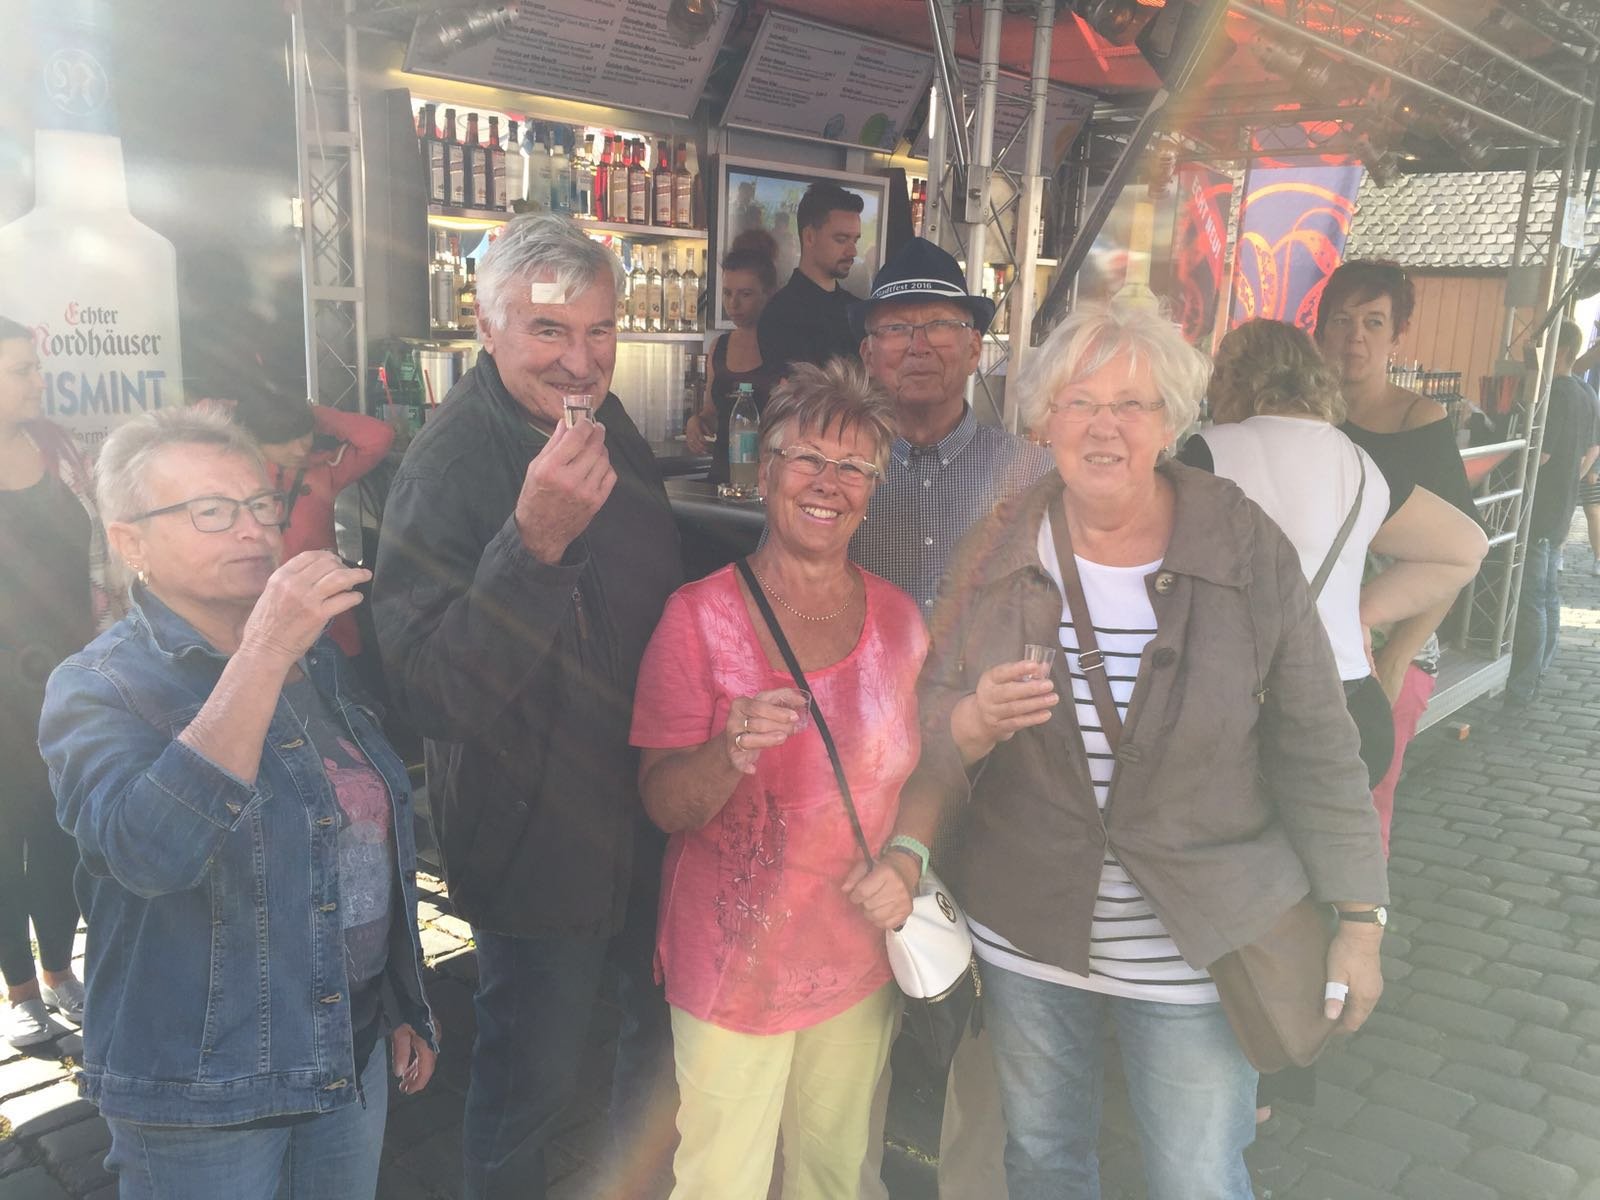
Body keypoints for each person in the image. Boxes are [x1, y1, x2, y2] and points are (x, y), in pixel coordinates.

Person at [911, 302, 1389, 1199]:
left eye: (1132, 404)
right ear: (1044, 421)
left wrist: (1360, 920)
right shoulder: (1000, 544)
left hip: (1195, 943)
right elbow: (929, 714)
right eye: (1080, 402)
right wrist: (971, 718)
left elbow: (1318, 745)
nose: (1105, 426)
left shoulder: (1243, 544)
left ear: (1172, 422)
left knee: (1195, 1177)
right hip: (1028, 927)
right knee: (1043, 1162)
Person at [38, 407, 436, 1200]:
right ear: (130, 542)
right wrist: (264, 650)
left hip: (344, 1050)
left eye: (260, 504)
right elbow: (148, 855)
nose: (253, 530)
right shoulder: (99, 685)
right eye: (212, 512)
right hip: (204, 1086)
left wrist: (398, 997)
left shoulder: (313, 659)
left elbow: (354, 841)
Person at [372, 213, 684, 1200]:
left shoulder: (601, 419)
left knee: (655, 1053)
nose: (580, 360)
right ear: (486, 323)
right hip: (535, 837)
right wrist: (533, 544)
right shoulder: (448, 466)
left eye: (600, 330)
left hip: (644, 811)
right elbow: (425, 692)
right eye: (549, 330)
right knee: (527, 1090)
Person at [631, 360, 935, 1200]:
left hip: (856, 962)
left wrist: (907, 858)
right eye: (807, 459)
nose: (828, 484)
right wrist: (726, 752)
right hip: (732, 969)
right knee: (720, 1182)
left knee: (835, 1178)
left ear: (872, 491)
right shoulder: (698, 619)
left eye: (853, 467)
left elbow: (927, 772)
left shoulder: (900, 621)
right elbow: (661, 803)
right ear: (764, 472)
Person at [850, 238, 1052, 1198]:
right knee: (856, 1005)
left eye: (941, 324)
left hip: (1002, 777)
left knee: (993, 1014)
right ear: (868, 352)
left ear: (977, 346)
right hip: (864, 777)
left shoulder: (1033, 472)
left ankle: (973, 1184)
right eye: (895, 328)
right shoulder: (838, 464)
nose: (918, 345)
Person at [1185, 319, 1488, 808]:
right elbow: (1465, 547)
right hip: (1349, 703)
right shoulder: (1363, 465)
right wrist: (1362, 613)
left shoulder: (1209, 454)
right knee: (1334, 850)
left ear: (1235, 378)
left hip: (1248, 712)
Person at [1315, 261, 1484, 841]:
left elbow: (1457, 560)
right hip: (1312, 649)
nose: (1355, 337)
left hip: (1391, 652)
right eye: (1342, 320)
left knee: (1364, 817)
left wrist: (1394, 661)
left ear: (1396, 334)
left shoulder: (1420, 420)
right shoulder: (1304, 418)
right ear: (1321, 329)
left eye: (1373, 322)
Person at [0, 316, 114, 1048]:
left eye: (36, 367)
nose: (37, 382)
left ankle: (57, 971)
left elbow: (102, 556)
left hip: (71, 676)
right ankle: (16, 986)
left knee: (61, 830)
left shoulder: (61, 451)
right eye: (20, 370)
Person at [230, 388, 394, 658]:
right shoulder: (230, 480)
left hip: (328, 617)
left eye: (304, 435)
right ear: (252, 439)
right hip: (254, 613)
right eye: (283, 441)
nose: (299, 448)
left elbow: (379, 436)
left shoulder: (324, 469)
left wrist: (310, 416)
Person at [1505, 320, 1600, 707]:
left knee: (1532, 599)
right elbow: (1591, 453)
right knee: (1548, 595)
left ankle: (1522, 684)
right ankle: (1539, 669)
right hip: (1561, 508)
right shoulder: (1586, 392)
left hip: (1540, 507)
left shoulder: (1557, 394)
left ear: (1559, 351)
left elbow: (1541, 455)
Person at [685, 229, 779, 485]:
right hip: (722, 477)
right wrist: (697, 422)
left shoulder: (783, 347)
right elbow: (713, 413)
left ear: (769, 293)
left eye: (745, 294)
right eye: (727, 293)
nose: (733, 304)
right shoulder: (720, 346)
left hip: (767, 481)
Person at [757, 181, 864, 375]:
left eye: (855, 240)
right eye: (841, 239)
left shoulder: (858, 312)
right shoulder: (780, 315)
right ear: (809, 237)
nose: (853, 251)